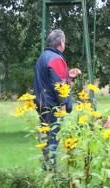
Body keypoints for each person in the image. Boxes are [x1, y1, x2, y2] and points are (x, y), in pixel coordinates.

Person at [34, 29, 81, 162]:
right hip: (52, 107)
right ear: (61, 42)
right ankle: (51, 171)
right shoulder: (56, 59)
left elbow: (48, 80)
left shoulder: (43, 57)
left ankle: (48, 168)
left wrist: (68, 75)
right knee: (52, 140)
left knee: (46, 139)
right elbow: (59, 87)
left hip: (41, 104)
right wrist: (65, 105)